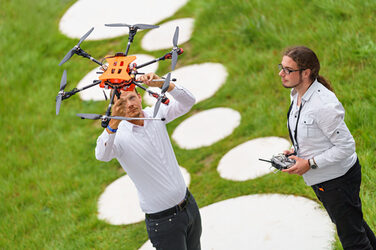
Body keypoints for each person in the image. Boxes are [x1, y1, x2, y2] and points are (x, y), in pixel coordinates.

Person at [278, 46, 376, 250]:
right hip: (324, 179)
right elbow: (307, 133)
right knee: (353, 226)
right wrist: (296, 152)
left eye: (288, 70)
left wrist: (310, 163)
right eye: (281, 67)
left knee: (353, 241)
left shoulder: (323, 105)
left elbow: (347, 146)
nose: (281, 73)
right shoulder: (296, 94)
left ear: (306, 73)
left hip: (337, 181)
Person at [95, 73, 202, 250]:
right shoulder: (118, 136)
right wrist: (113, 122)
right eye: (122, 103)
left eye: (131, 97)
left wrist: (162, 83)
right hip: (164, 223)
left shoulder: (156, 113)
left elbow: (188, 101)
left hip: (189, 206)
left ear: (139, 96)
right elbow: (101, 154)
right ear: (115, 108)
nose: (129, 104)